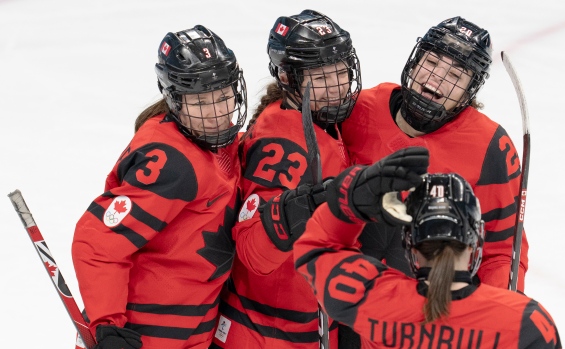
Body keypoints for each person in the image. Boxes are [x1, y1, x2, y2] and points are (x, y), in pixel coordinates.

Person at [71, 25, 247, 349]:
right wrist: (108, 325)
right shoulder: (172, 161)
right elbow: (97, 239)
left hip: (194, 330)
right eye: (201, 101)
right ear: (176, 100)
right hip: (143, 335)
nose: (218, 112)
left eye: (223, 96)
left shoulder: (221, 143)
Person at [293, 155, 562, 349]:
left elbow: (316, 248)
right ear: (475, 238)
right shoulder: (526, 323)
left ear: (410, 241)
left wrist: (351, 197)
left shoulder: (372, 298)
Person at [341, 16, 528, 290]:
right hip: (345, 299)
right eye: (431, 62)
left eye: (455, 75)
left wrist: (498, 316)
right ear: (414, 62)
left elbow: (502, 251)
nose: (437, 77)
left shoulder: (490, 146)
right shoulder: (359, 109)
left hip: (432, 316)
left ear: (469, 91)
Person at [210, 9, 361, 349]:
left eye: (341, 72)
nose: (337, 87)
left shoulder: (318, 120)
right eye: (321, 78)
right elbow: (254, 253)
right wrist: (292, 213)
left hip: (298, 324)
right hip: (267, 334)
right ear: (289, 79)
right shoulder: (284, 143)